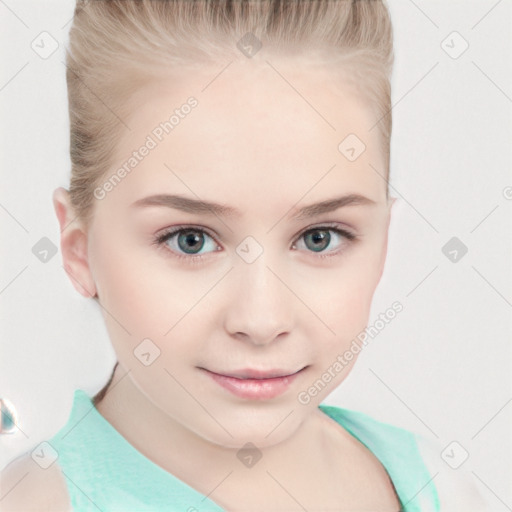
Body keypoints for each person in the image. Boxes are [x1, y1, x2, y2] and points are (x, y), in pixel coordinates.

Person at [0, 0, 488, 510]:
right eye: (190, 239)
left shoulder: (441, 486)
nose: (261, 320)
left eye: (320, 237)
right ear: (78, 250)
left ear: (383, 240)